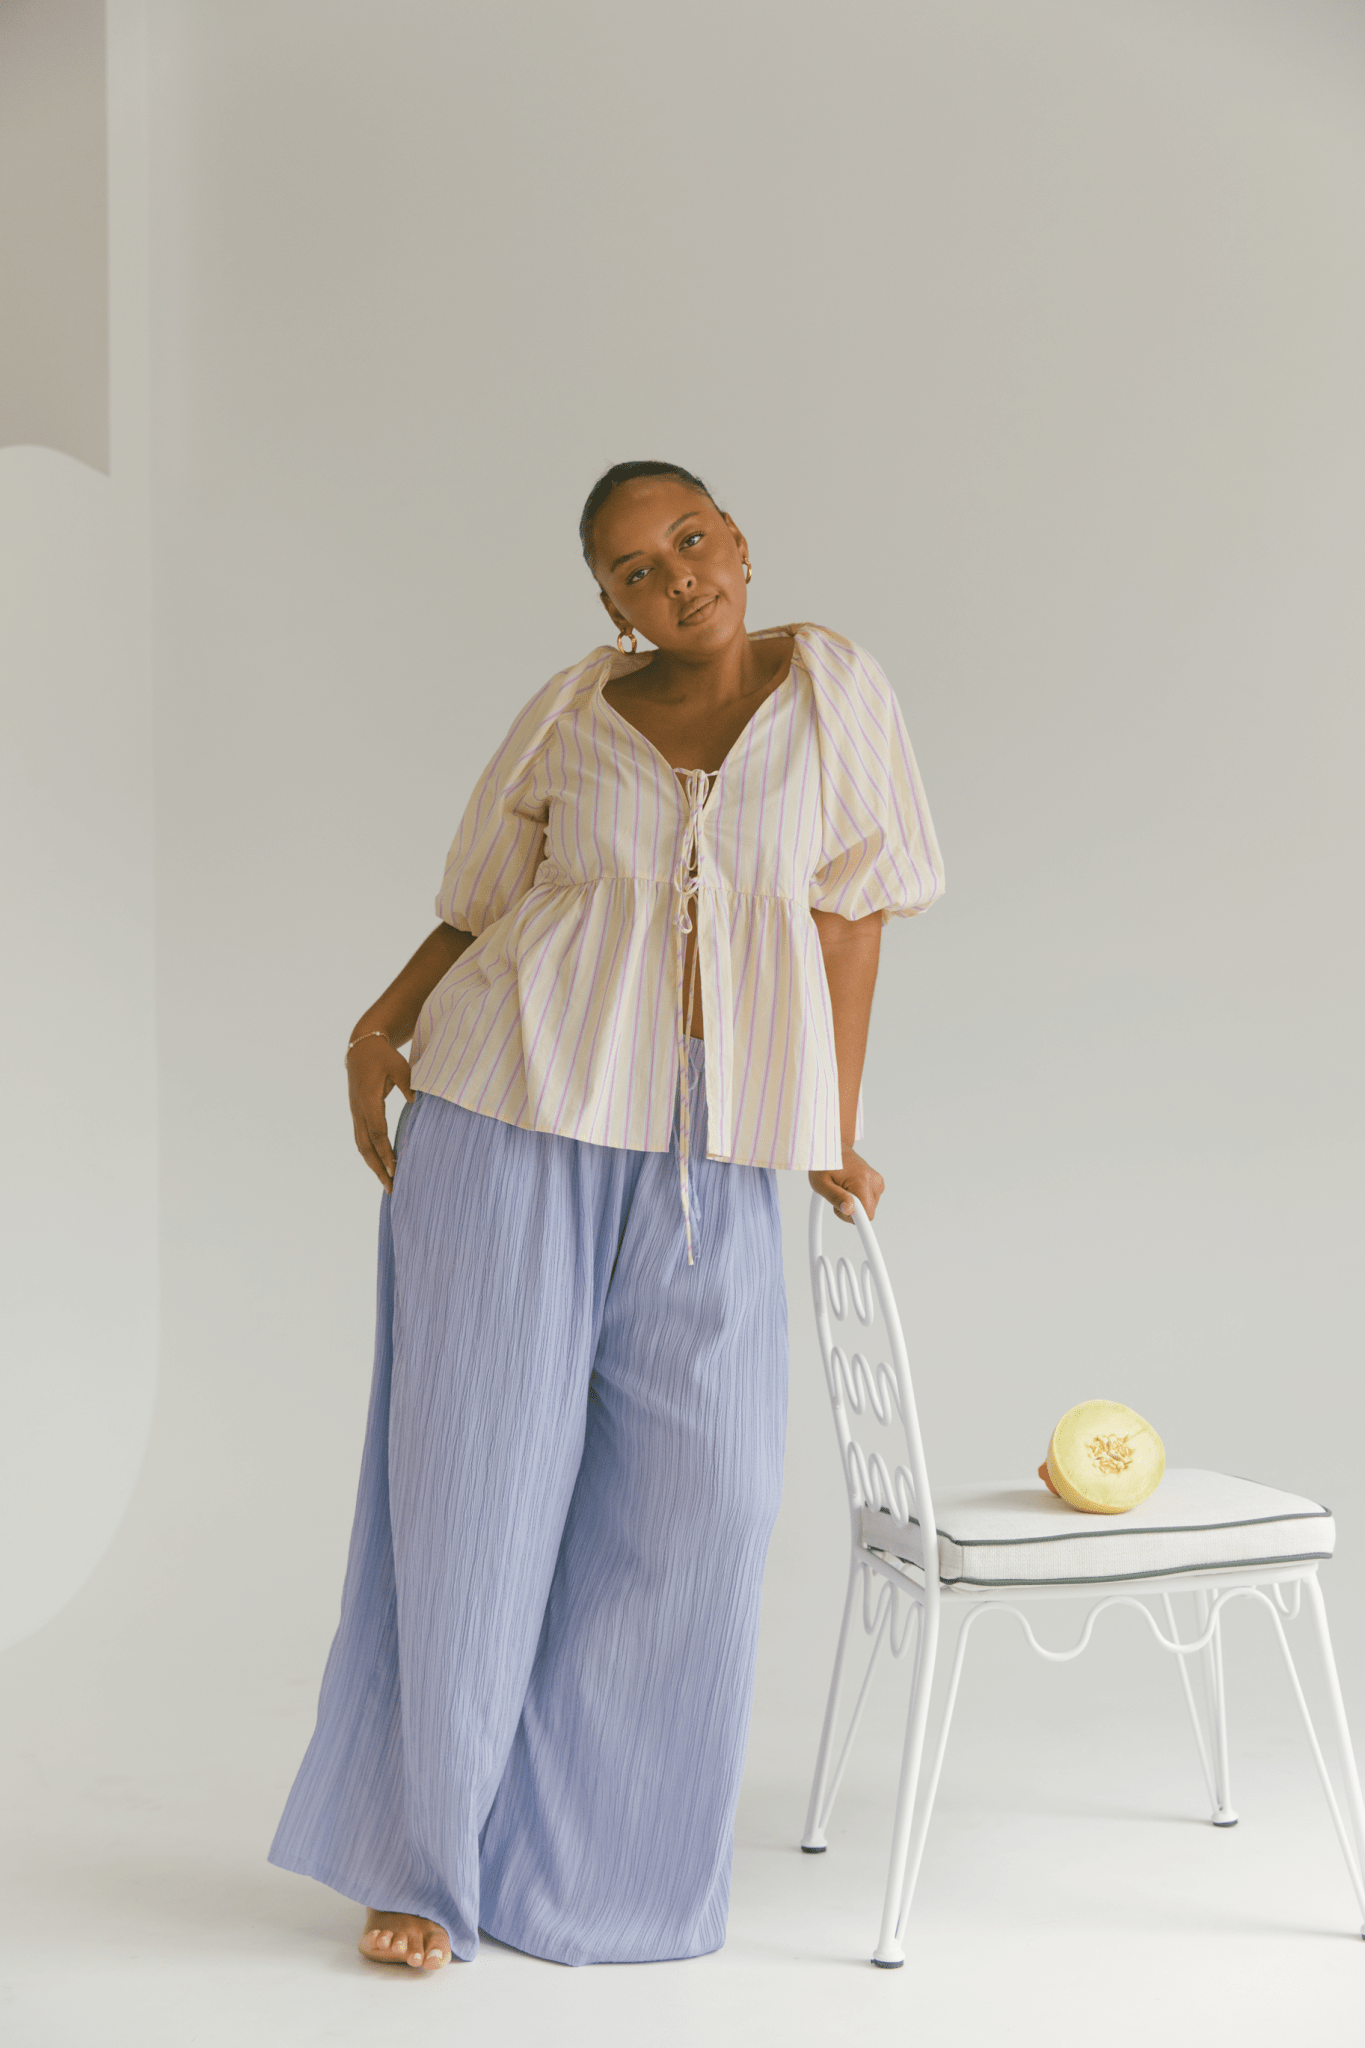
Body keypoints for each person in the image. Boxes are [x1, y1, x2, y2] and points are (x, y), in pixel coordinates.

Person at [268, 460, 944, 1970]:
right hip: (509, 1113)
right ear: (609, 602)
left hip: (716, 1143)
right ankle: (424, 1862)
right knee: (473, 1498)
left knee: (706, 1506)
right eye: (634, 568)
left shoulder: (835, 691)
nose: (673, 577)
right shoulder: (573, 710)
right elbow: (483, 902)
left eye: (688, 540)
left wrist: (833, 1128)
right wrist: (379, 1027)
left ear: (739, 539)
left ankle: (599, 1873)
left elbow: (852, 914)